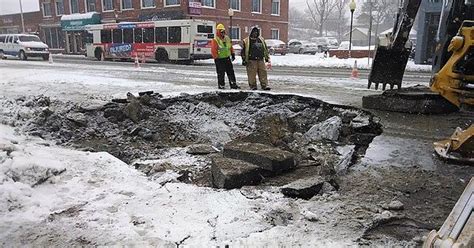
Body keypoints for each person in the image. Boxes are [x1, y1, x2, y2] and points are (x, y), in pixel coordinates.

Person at [211, 23, 240, 90]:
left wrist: (232, 54)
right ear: (218, 32)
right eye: (221, 32)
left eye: (223, 31)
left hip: (227, 58)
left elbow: (230, 47)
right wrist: (216, 58)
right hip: (219, 59)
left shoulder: (227, 38)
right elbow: (213, 50)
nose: (223, 33)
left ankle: (233, 84)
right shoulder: (215, 40)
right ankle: (221, 85)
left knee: (231, 72)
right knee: (221, 73)